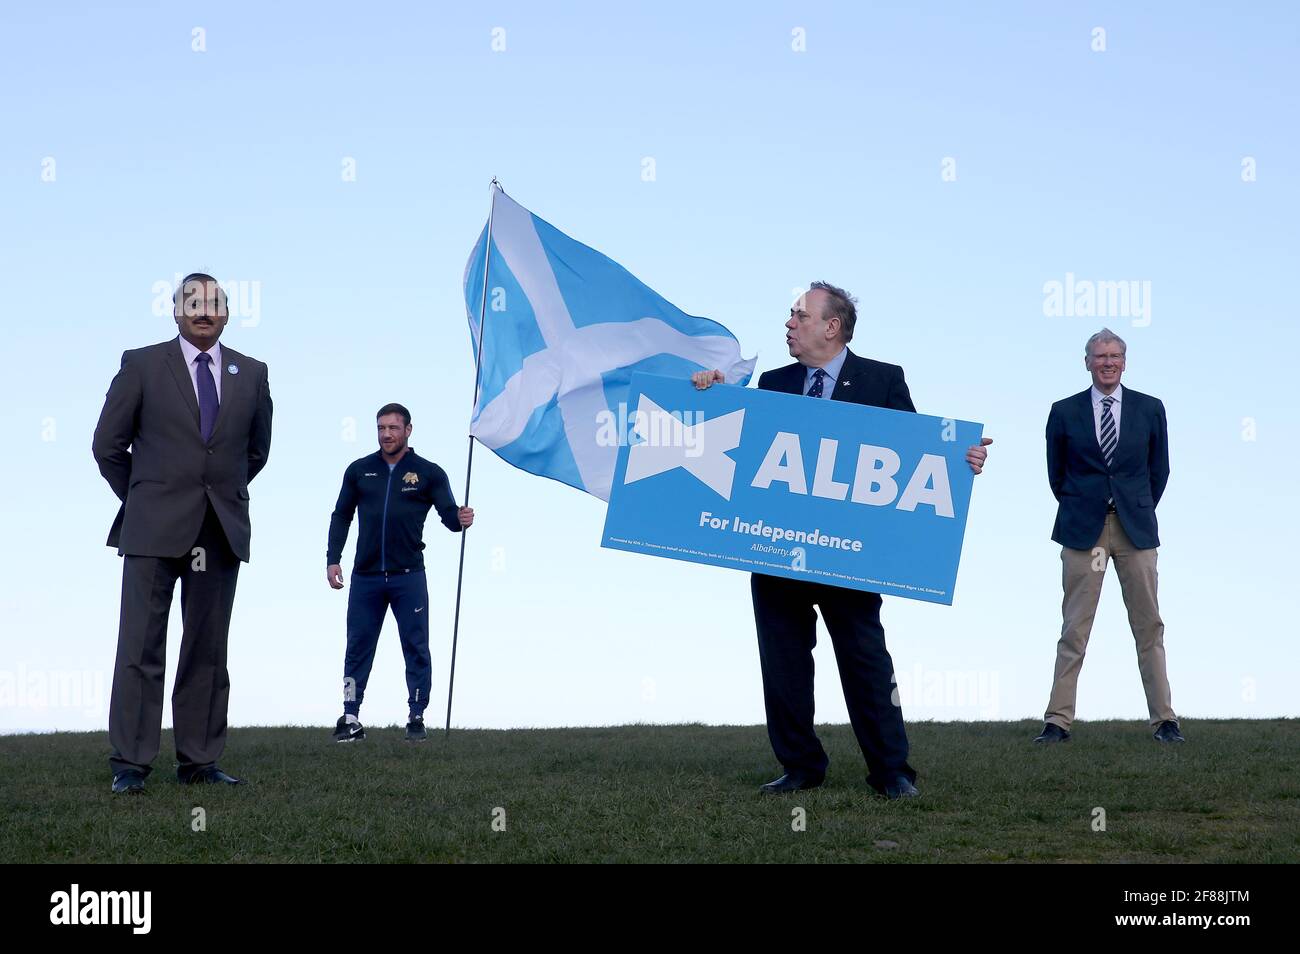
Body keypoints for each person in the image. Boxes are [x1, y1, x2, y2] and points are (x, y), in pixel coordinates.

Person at [692, 282, 991, 797]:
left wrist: (962, 461)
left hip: (850, 556)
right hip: (777, 549)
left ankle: (892, 772)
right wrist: (709, 394)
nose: (788, 322)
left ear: (832, 327)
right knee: (784, 660)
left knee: (865, 659)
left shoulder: (882, 379)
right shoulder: (773, 382)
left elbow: (917, 455)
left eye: (799, 315)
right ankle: (801, 766)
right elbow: (739, 444)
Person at [93, 273, 273, 793]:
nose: (203, 310)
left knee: (207, 649)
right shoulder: (142, 364)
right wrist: (146, 494)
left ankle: (199, 762)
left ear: (227, 314)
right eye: (192, 302)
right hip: (151, 528)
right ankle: (130, 764)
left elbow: (253, 453)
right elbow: (107, 444)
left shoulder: (253, 373)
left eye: (214, 303)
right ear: (175, 311)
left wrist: (214, 493)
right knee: (139, 647)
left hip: (219, 530)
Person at [1034, 329, 1181, 744]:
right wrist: (1087, 505)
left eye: (1115, 355)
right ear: (1087, 362)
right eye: (1100, 356)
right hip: (1083, 530)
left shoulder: (1150, 409)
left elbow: (1160, 471)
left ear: (1125, 361)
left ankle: (1164, 720)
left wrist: (1134, 505)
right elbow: (1056, 475)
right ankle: (1057, 722)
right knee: (1075, 628)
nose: (1108, 362)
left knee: (1149, 625)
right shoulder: (1064, 412)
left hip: (1135, 529)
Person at [326, 403, 474, 742]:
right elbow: (341, 515)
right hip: (366, 577)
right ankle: (350, 716)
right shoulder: (359, 470)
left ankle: (417, 715)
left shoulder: (428, 472)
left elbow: (449, 517)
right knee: (357, 647)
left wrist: (460, 518)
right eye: (381, 428)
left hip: (409, 576)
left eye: (393, 428)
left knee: (416, 646)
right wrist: (334, 558)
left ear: (408, 430)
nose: (386, 434)